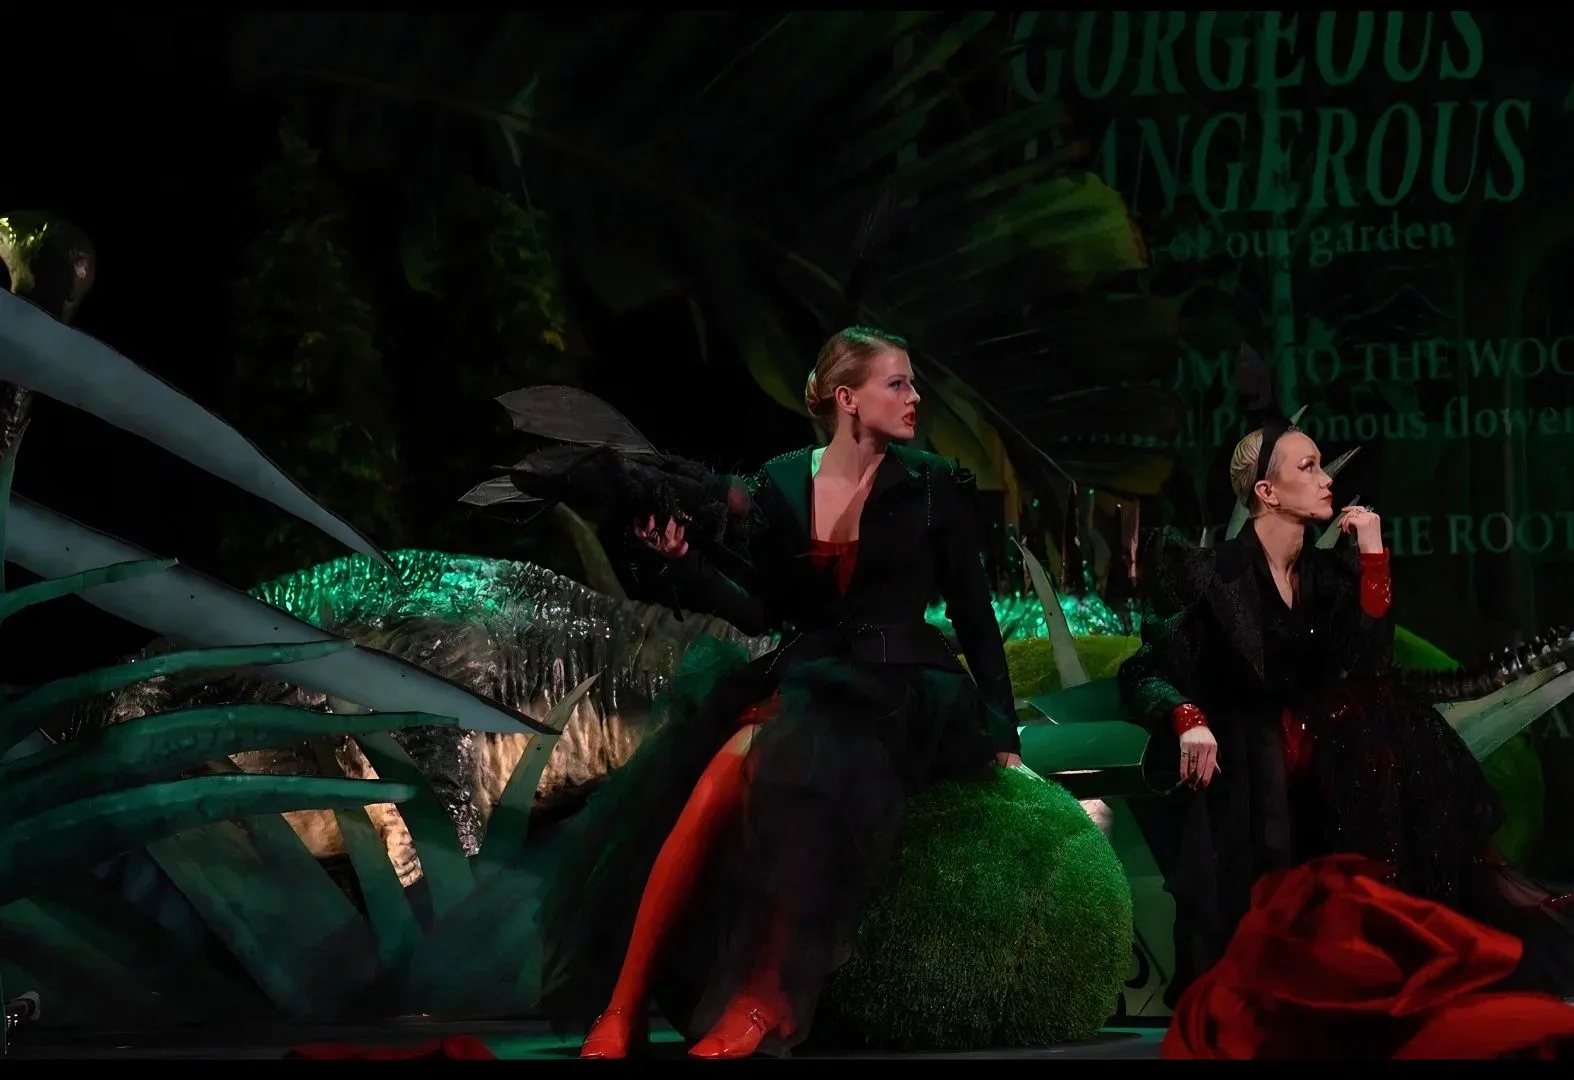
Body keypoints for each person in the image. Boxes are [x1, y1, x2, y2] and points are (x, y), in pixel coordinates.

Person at [537, 326, 1023, 1059]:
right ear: (847, 398)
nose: (915, 398)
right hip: (808, 674)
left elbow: (976, 619)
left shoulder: (934, 486)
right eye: (898, 383)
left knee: (804, 769)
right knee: (713, 784)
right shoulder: (781, 483)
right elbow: (761, 612)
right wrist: (685, 565)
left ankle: (766, 1001)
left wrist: (1004, 732)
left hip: (901, 689)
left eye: (913, 383)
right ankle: (624, 1005)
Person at [1118, 414, 1574, 1012]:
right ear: (1267, 491)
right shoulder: (1207, 573)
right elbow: (1142, 671)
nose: (1325, 479)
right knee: (1375, 722)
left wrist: (1373, 555)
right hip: (1250, 753)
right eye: (1308, 467)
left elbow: (1370, 662)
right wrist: (1186, 717)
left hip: (1328, 757)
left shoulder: (1327, 577)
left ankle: (1399, 938)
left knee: (1383, 714)